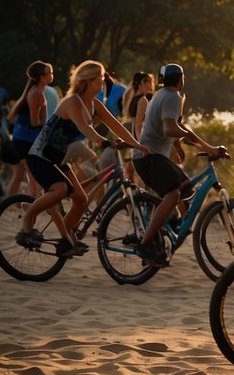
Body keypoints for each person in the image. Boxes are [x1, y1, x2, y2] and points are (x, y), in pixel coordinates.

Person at [18, 61, 149, 256]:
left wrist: (136, 144)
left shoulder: (95, 105)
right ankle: (26, 223)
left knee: (81, 199)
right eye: (100, 79)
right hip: (40, 155)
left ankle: (65, 240)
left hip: (57, 159)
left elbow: (117, 126)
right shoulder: (72, 102)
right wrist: (101, 141)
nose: (104, 81)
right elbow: (84, 127)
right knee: (60, 189)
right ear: (88, 81)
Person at [130, 63, 226, 267]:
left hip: (150, 156)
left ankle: (164, 228)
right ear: (181, 79)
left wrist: (203, 147)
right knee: (173, 194)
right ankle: (146, 243)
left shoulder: (160, 94)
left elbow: (172, 126)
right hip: (149, 157)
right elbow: (169, 128)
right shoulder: (172, 96)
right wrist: (194, 139)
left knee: (186, 188)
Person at [3, 61, 53, 197]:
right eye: (50, 73)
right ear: (42, 77)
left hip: (23, 140)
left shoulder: (34, 91)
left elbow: (13, 118)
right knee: (34, 177)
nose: (52, 75)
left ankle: (29, 207)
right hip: (27, 142)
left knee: (33, 178)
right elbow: (34, 122)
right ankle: (31, 209)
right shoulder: (36, 94)